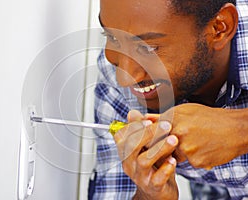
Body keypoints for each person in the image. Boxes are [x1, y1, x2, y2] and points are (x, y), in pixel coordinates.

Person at [88, 0, 248, 199]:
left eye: (148, 48)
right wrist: (148, 194)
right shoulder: (116, 68)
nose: (124, 77)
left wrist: (241, 128)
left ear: (219, 28)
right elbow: (115, 191)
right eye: (111, 37)